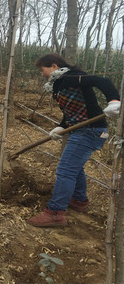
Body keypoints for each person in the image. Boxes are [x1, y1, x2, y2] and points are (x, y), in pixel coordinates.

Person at [26, 53, 121, 227]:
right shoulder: (59, 84)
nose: (42, 74)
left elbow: (103, 82)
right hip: (81, 129)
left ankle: (55, 213)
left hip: (90, 131)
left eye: (43, 70)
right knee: (73, 168)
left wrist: (114, 101)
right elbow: (72, 110)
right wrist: (62, 126)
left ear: (54, 66)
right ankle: (79, 200)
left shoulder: (71, 77)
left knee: (65, 170)